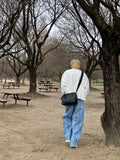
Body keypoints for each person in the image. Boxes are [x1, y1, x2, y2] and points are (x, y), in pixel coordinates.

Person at [61, 59, 89, 148]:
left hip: (69, 98)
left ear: (71, 65)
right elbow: (86, 87)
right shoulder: (83, 74)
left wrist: (64, 95)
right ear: (79, 66)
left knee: (67, 116)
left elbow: (63, 85)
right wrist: (83, 96)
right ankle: (74, 142)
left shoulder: (66, 73)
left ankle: (67, 137)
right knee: (78, 119)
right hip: (79, 98)